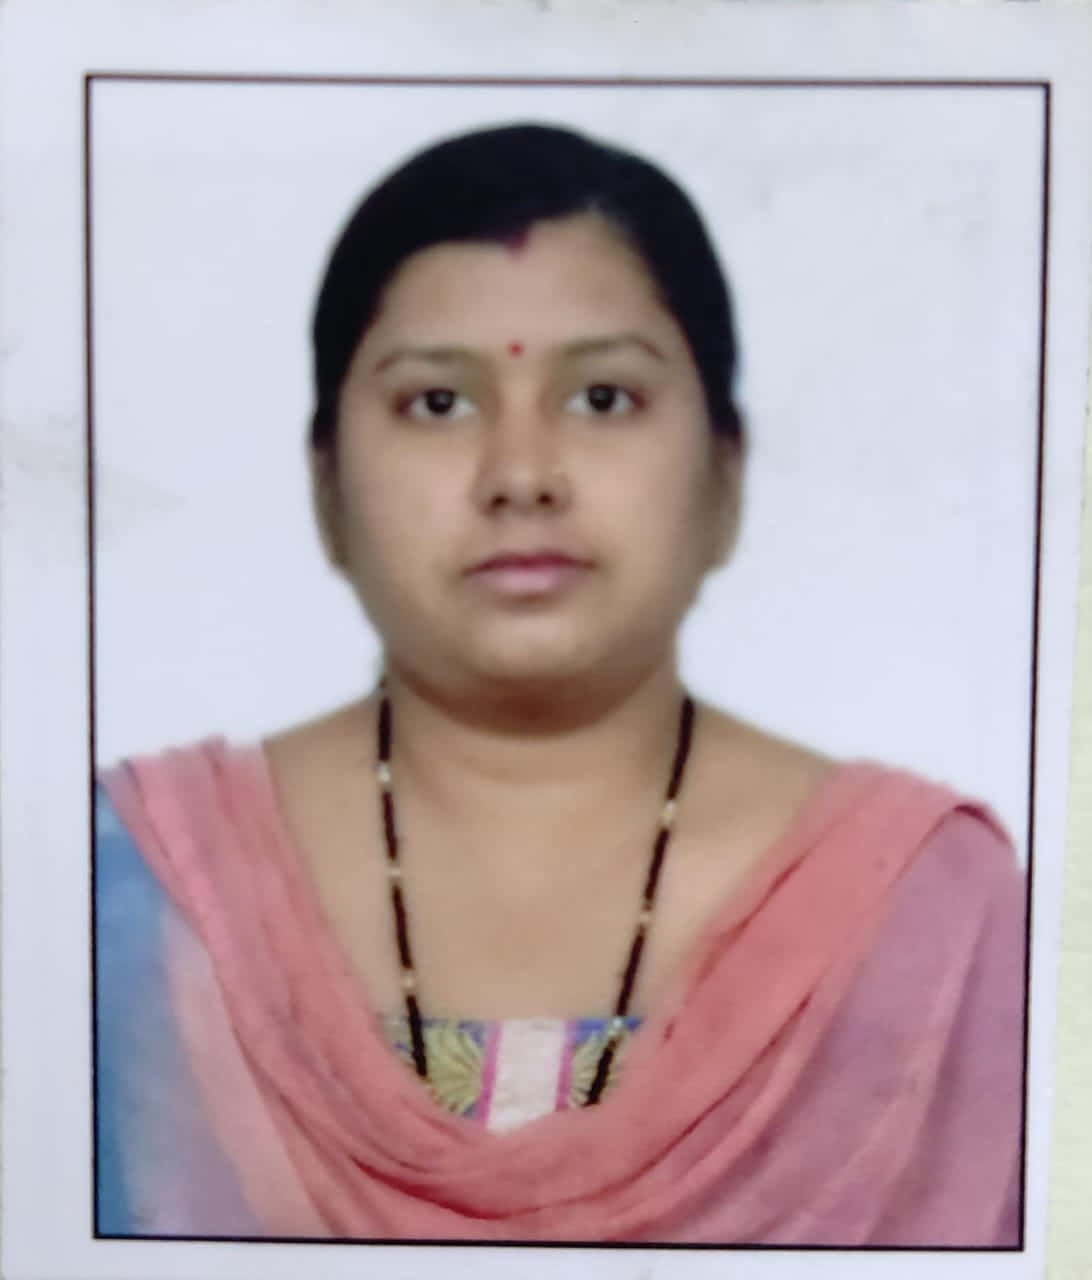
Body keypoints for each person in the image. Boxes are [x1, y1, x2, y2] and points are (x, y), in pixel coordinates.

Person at [94, 122, 1026, 1245]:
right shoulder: (128, 893)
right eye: (438, 403)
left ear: (727, 472)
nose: (522, 475)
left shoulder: (935, 913)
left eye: (603, 399)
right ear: (326, 485)